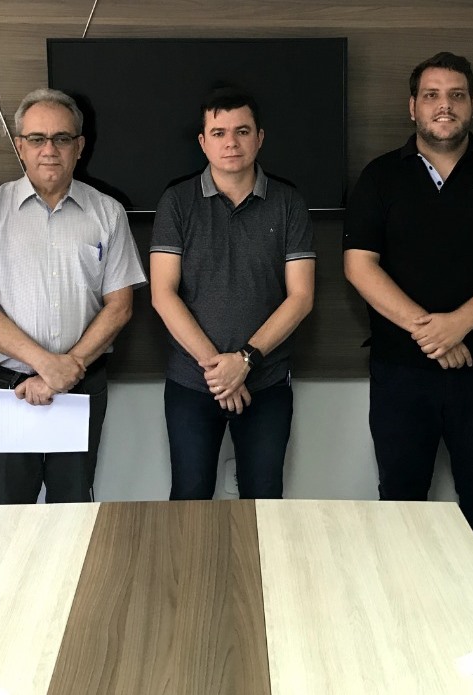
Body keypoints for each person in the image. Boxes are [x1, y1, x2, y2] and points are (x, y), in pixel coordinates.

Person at [343, 52, 473, 598]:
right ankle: (403, 613)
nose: (444, 105)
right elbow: (359, 266)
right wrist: (430, 332)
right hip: (401, 373)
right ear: (412, 107)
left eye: (456, 95)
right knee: (400, 498)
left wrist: (459, 324)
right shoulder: (381, 176)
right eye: (431, 95)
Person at [0, 88, 145, 504]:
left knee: (73, 507)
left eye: (62, 138)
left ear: (80, 146)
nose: (49, 150)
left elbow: (120, 306)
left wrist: (66, 369)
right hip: (8, 388)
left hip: (81, 384)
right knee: (10, 508)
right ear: (21, 146)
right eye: (37, 139)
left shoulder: (108, 212)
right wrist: (47, 366)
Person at [149, 87, 315, 500]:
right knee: (189, 500)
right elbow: (163, 294)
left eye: (242, 131)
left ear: (260, 138)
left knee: (264, 500)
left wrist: (245, 361)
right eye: (219, 133)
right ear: (203, 142)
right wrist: (219, 371)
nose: (231, 143)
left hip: (266, 381)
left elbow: (301, 297)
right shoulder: (177, 202)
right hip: (192, 382)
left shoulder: (289, 203)